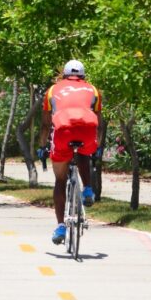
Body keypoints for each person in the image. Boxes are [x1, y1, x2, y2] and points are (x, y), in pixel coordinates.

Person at [38, 60, 102, 245]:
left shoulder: (52, 90)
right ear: (83, 76)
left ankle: (60, 226)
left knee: (60, 180)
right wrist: (97, 146)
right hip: (88, 132)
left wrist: (43, 146)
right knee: (84, 150)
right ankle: (88, 189)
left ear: (64, 75)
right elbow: (99, 121)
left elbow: (45, 124)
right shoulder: (93, 90)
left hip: (62, 132)